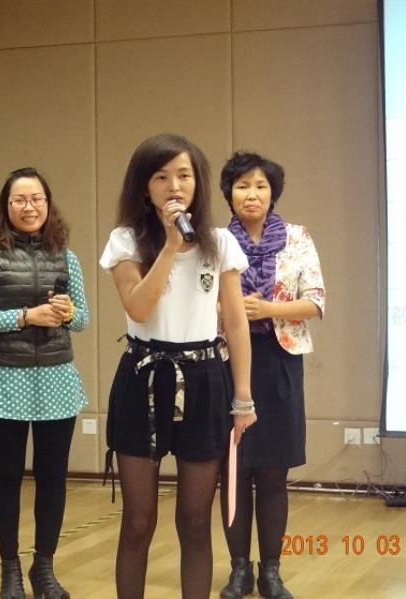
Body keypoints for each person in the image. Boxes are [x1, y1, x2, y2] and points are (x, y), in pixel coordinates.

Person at [99, 133, 256, 599]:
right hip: (143, 376)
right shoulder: (125, 240)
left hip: (204, 378)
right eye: (162, 177)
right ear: (144, 187)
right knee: (138, 520)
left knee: (194, 521)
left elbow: (235, 322)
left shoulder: (220, 242)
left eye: (184, 175)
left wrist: (243, 397)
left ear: (197, 183)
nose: (174, 186)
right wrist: (169, 246)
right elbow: (139, 307)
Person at [0, 167, 89, 599]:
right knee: (7, 477)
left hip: (57, 378)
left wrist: (67, 312)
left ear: (48, 204)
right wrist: (25, 316)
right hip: (3, 380)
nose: (29, 207)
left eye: (37, 199)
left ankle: (44, 568)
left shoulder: (67, 257)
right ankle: (10, 571)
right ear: (6, 207)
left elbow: (83, 320)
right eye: (19, 200)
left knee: (53, 477)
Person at [217, 151, 325, 599]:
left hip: (280, 362)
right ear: (229, 194)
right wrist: (227, 311)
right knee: (233, 471)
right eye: (242, 186)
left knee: (274, 474)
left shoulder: (298, 238)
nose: (252, 194)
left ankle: (272, 572)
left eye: (260, 186)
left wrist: (266, 308)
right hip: (225, 363)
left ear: (272, 193)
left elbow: (315, 302)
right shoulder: (216, 242)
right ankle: (239, 570)